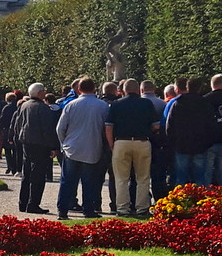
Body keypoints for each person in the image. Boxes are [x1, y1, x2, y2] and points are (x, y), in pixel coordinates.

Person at [56, 78, 111, 219]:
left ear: (78, 89)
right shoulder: (103, 106)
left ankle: (63, 210)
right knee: (89, 181)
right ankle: (89, 209)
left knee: (67, 181)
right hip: (93, 147)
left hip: (72, 148)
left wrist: (64, 143)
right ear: (94, 88)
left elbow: (60, 128)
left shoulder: (71, 105)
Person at [106, 77, 159, 216]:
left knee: (121, 178)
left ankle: (122, 209)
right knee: (143, 178)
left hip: (121, 142)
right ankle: (142, 208)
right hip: (142, 141)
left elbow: (109, 127)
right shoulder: (146, 103)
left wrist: (112, 145)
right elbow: (156, 125)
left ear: (123, 90)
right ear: (138, 89)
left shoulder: (116, 104)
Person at [166, 76, 216, 186]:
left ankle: (180, 201)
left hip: (181, 146)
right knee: (199, 179)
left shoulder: (178, 103)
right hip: (200, 146)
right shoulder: (205, 104)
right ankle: (199, 201)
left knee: (181, 179)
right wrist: (207, 143)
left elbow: (169, 126)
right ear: (199, 89)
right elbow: (211, 126)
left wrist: (174, 143)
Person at [17, 83, 59, 213]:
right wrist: (53, 146)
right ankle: (33, 204)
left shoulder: (24, 105)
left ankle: (23, 203)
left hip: (26, 141)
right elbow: (48, 129)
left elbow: (18, 123)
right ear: (40, 93)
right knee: (38, 175)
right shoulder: (43, 108)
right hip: (40, 144)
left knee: (27, 173)